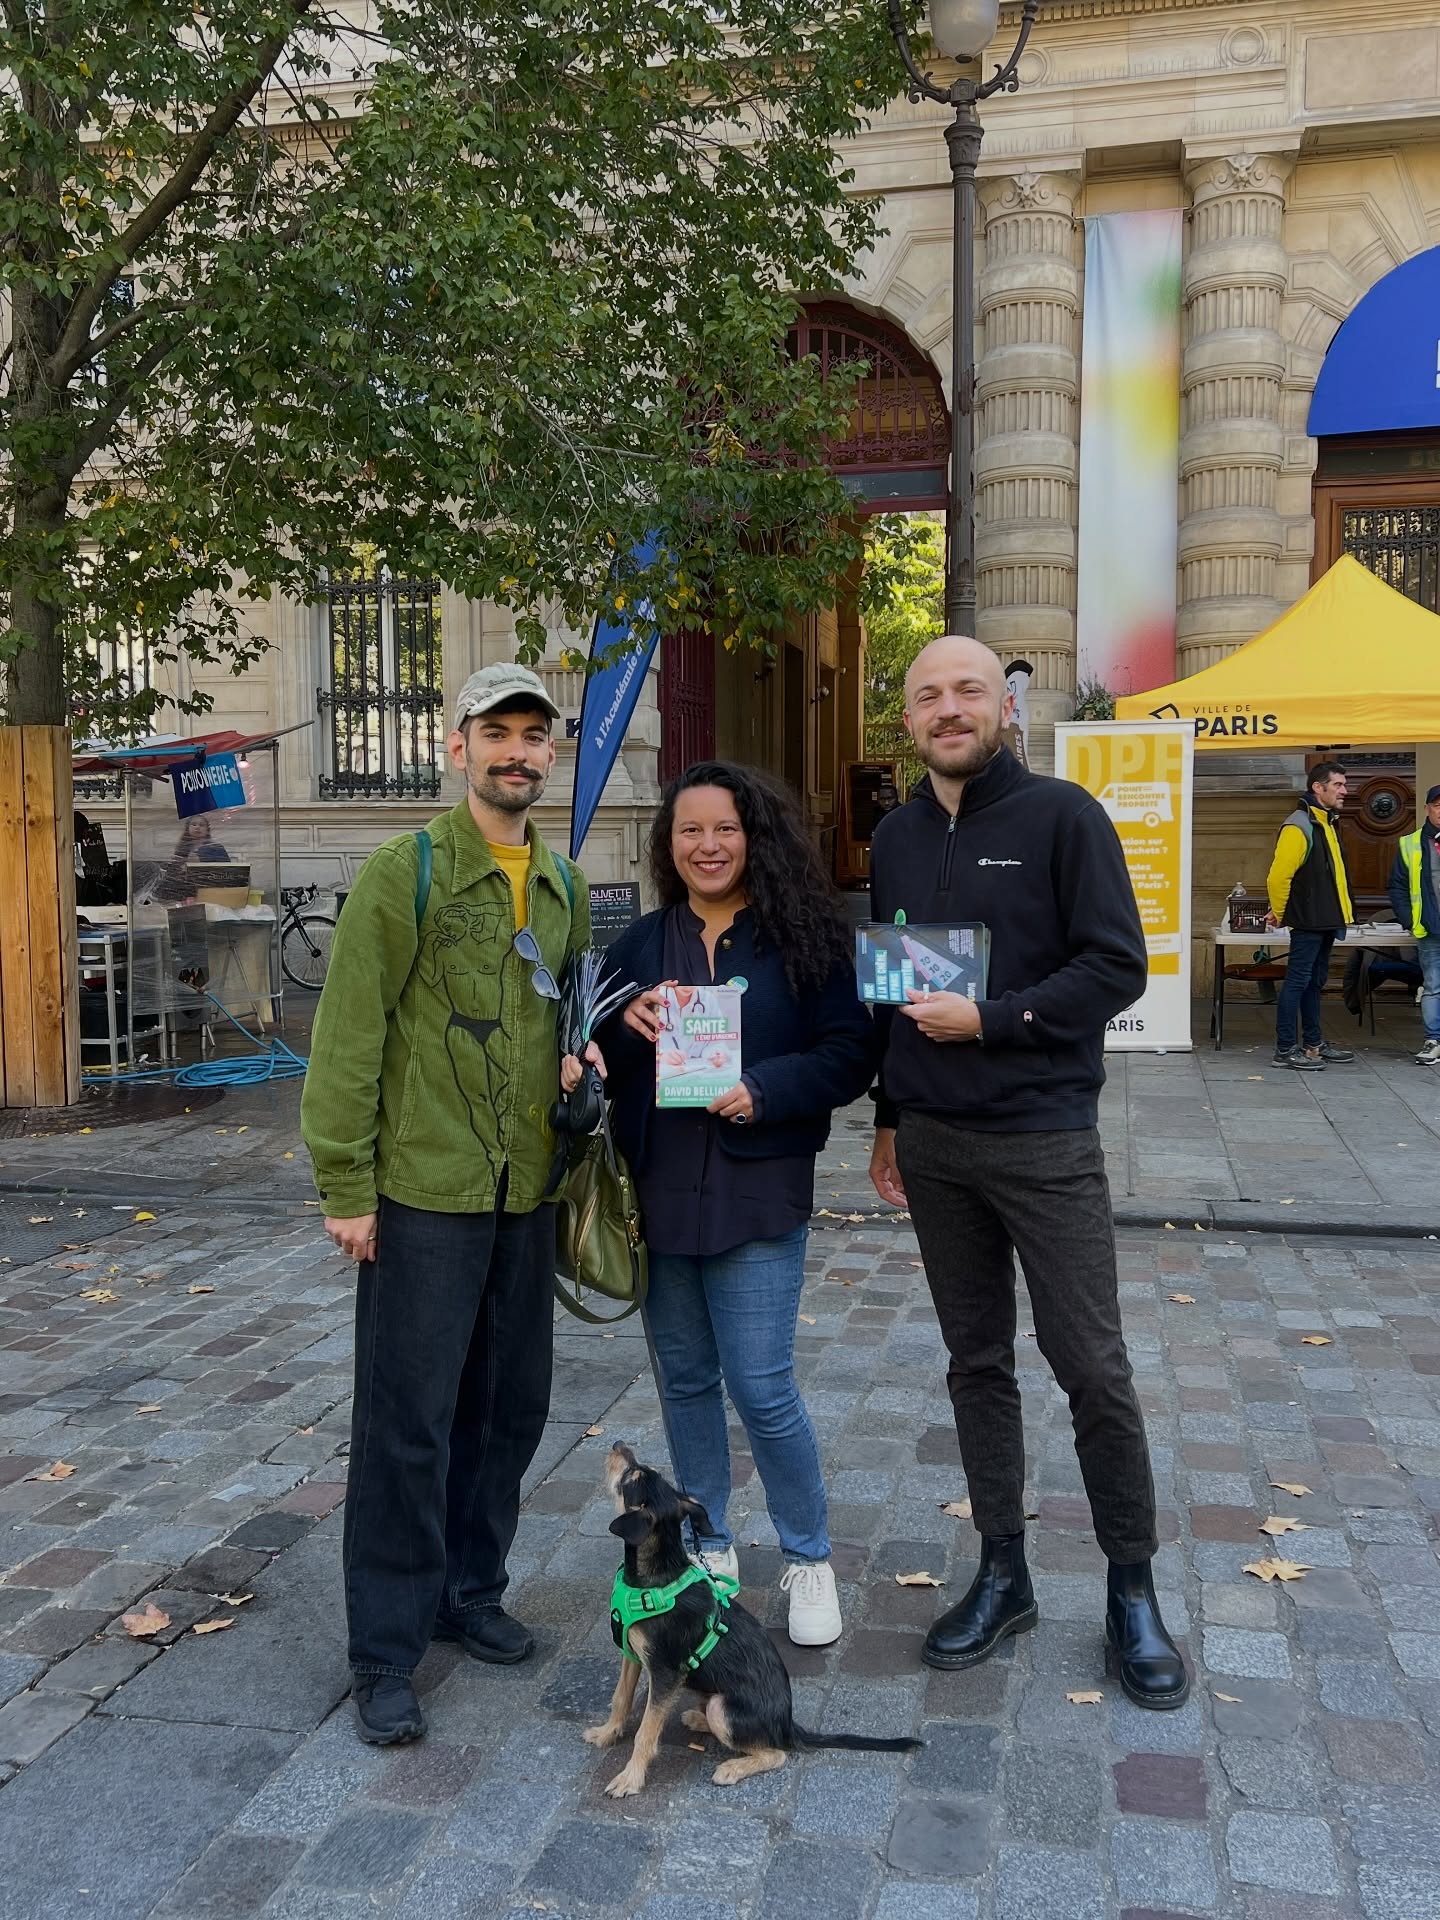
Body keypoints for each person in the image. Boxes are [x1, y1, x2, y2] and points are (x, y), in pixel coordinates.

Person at [867, 635, 1188, 1711]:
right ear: (907, 718)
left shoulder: (1063, 818)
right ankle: (1002, 1570)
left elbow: (1116, 964)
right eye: (926, 696)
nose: (947, 710)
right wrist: (887, 1117)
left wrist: (995, 1021)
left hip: (1044, 1138)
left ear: (1003, 704)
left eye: (966, 691)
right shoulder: (897, 835)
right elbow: (898, 988)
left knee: (1090, 1364)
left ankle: (1132, 1591)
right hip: (936, 1145)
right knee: (975, 1363)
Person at [300, 662, 595, 1746]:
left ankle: (469, 1592)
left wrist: (581, 1070)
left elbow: (557, 1023)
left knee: (507, 1412)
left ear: (549, 755)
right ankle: (386, 1645)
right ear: (457, 745)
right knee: (406, 1426)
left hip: (527, 1196)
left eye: (534, 736)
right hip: (422, 1194)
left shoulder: (561, 887)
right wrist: (345, 1183)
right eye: (498, 733)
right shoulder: (404, 872)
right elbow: (348, 1038)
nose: (517, 752)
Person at [598, 763, 877, 1647]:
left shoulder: (805, 938)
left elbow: (848, 1055)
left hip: (758, 1191)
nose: (708, 846)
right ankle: (711, 1544)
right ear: (667, 843)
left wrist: (766, 1087)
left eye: (724, 829)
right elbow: (589, 1040)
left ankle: (808, 1556)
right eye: (690, 831)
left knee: (762, 1388)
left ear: (754, 836)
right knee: (684, 1381)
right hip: (659, 1192)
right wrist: (616, 1023)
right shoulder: (640, 944)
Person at [1265, 761, 1355, 1071]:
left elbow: (1335, 877)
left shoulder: (1326, 822)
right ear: (1318, 787)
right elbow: (1278, 878)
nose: (1345, 790)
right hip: (1308, 920)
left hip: (1326, 918)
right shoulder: (1299, 825)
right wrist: (1279, 912)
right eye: (1338, 785)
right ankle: (1286, 1048)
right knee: (1297, 983)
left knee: (1314, 982)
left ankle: (1314, 1045)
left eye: (1344, 785)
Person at [1388, 781, 1440, 1066]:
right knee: (1433, 985)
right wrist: (1409, 920)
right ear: (1427, 809)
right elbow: (1396, 886)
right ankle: (1433, 1040)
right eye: (1438, 805)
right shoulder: (1411, 843)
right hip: (1430, 928)